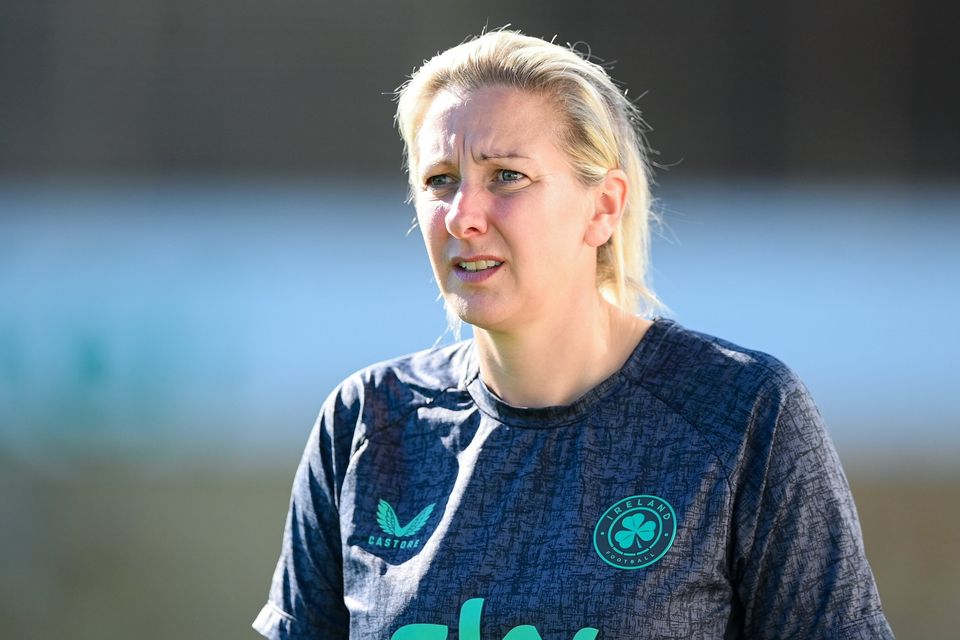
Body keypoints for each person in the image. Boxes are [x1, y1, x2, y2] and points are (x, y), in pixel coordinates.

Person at [253, 29, 894, 639]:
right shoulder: (367, 420)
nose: (463, 215)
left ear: (604, 207)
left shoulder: (741, 412)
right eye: (439, 180)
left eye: (507, 175)